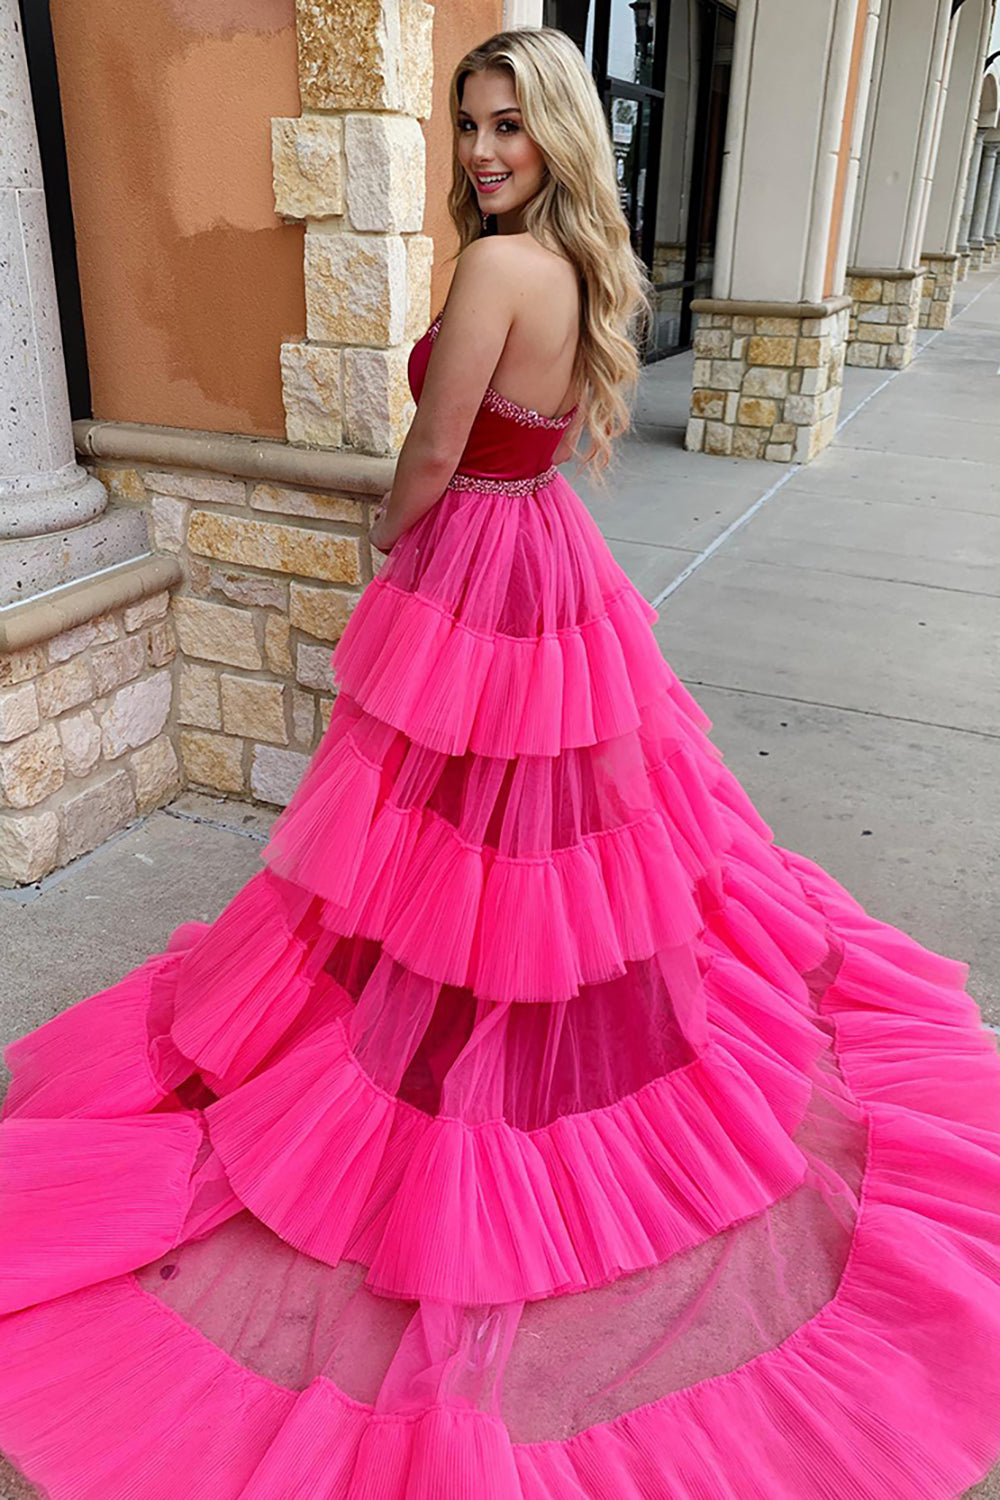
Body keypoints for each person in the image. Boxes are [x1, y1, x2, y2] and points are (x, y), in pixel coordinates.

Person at [1, 25, 999, 1500]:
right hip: (549, 556)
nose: (483, 151)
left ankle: (475, 1066)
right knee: (529, 837)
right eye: (468, 122)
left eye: (510, 127)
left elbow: (434, 445)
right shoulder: (582, 263)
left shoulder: (491, 268)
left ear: (558, 136)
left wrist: (392, 538)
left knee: (451, 838)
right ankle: (491, 1021)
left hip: (477, 554)